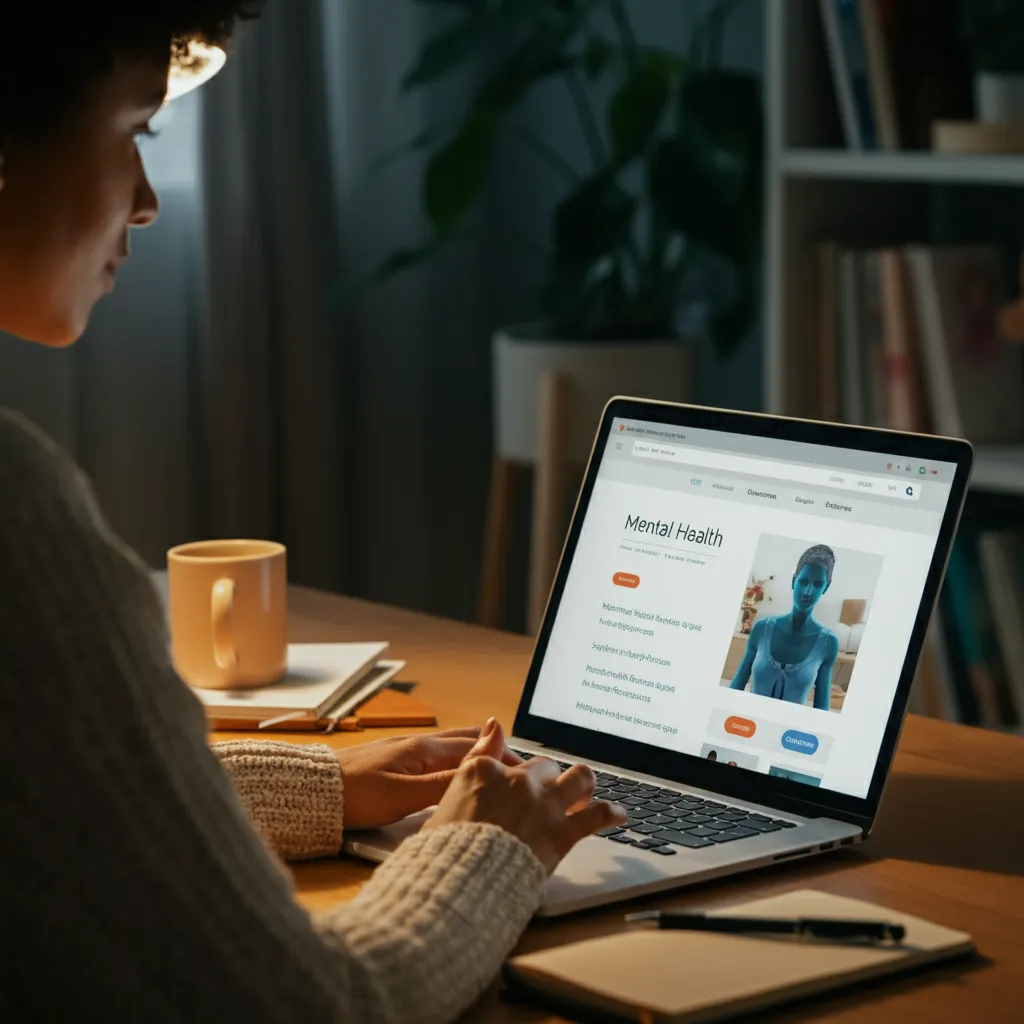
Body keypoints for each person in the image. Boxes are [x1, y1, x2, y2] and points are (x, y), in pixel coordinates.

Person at [0, 6, 626, 1020]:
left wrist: (314, 789)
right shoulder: (15, 517)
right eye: (134, 134)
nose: (148, 201)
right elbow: (317, 1005)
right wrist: (490, 845)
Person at [729, 545, 840, 711]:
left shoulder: (828, 643)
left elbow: (821, 708)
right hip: (745, 725)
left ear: (826, 587)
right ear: (794, 580)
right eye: (803, 582)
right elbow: (736, 686)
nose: (808, 592)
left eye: (818, 584)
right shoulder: (761, 629)